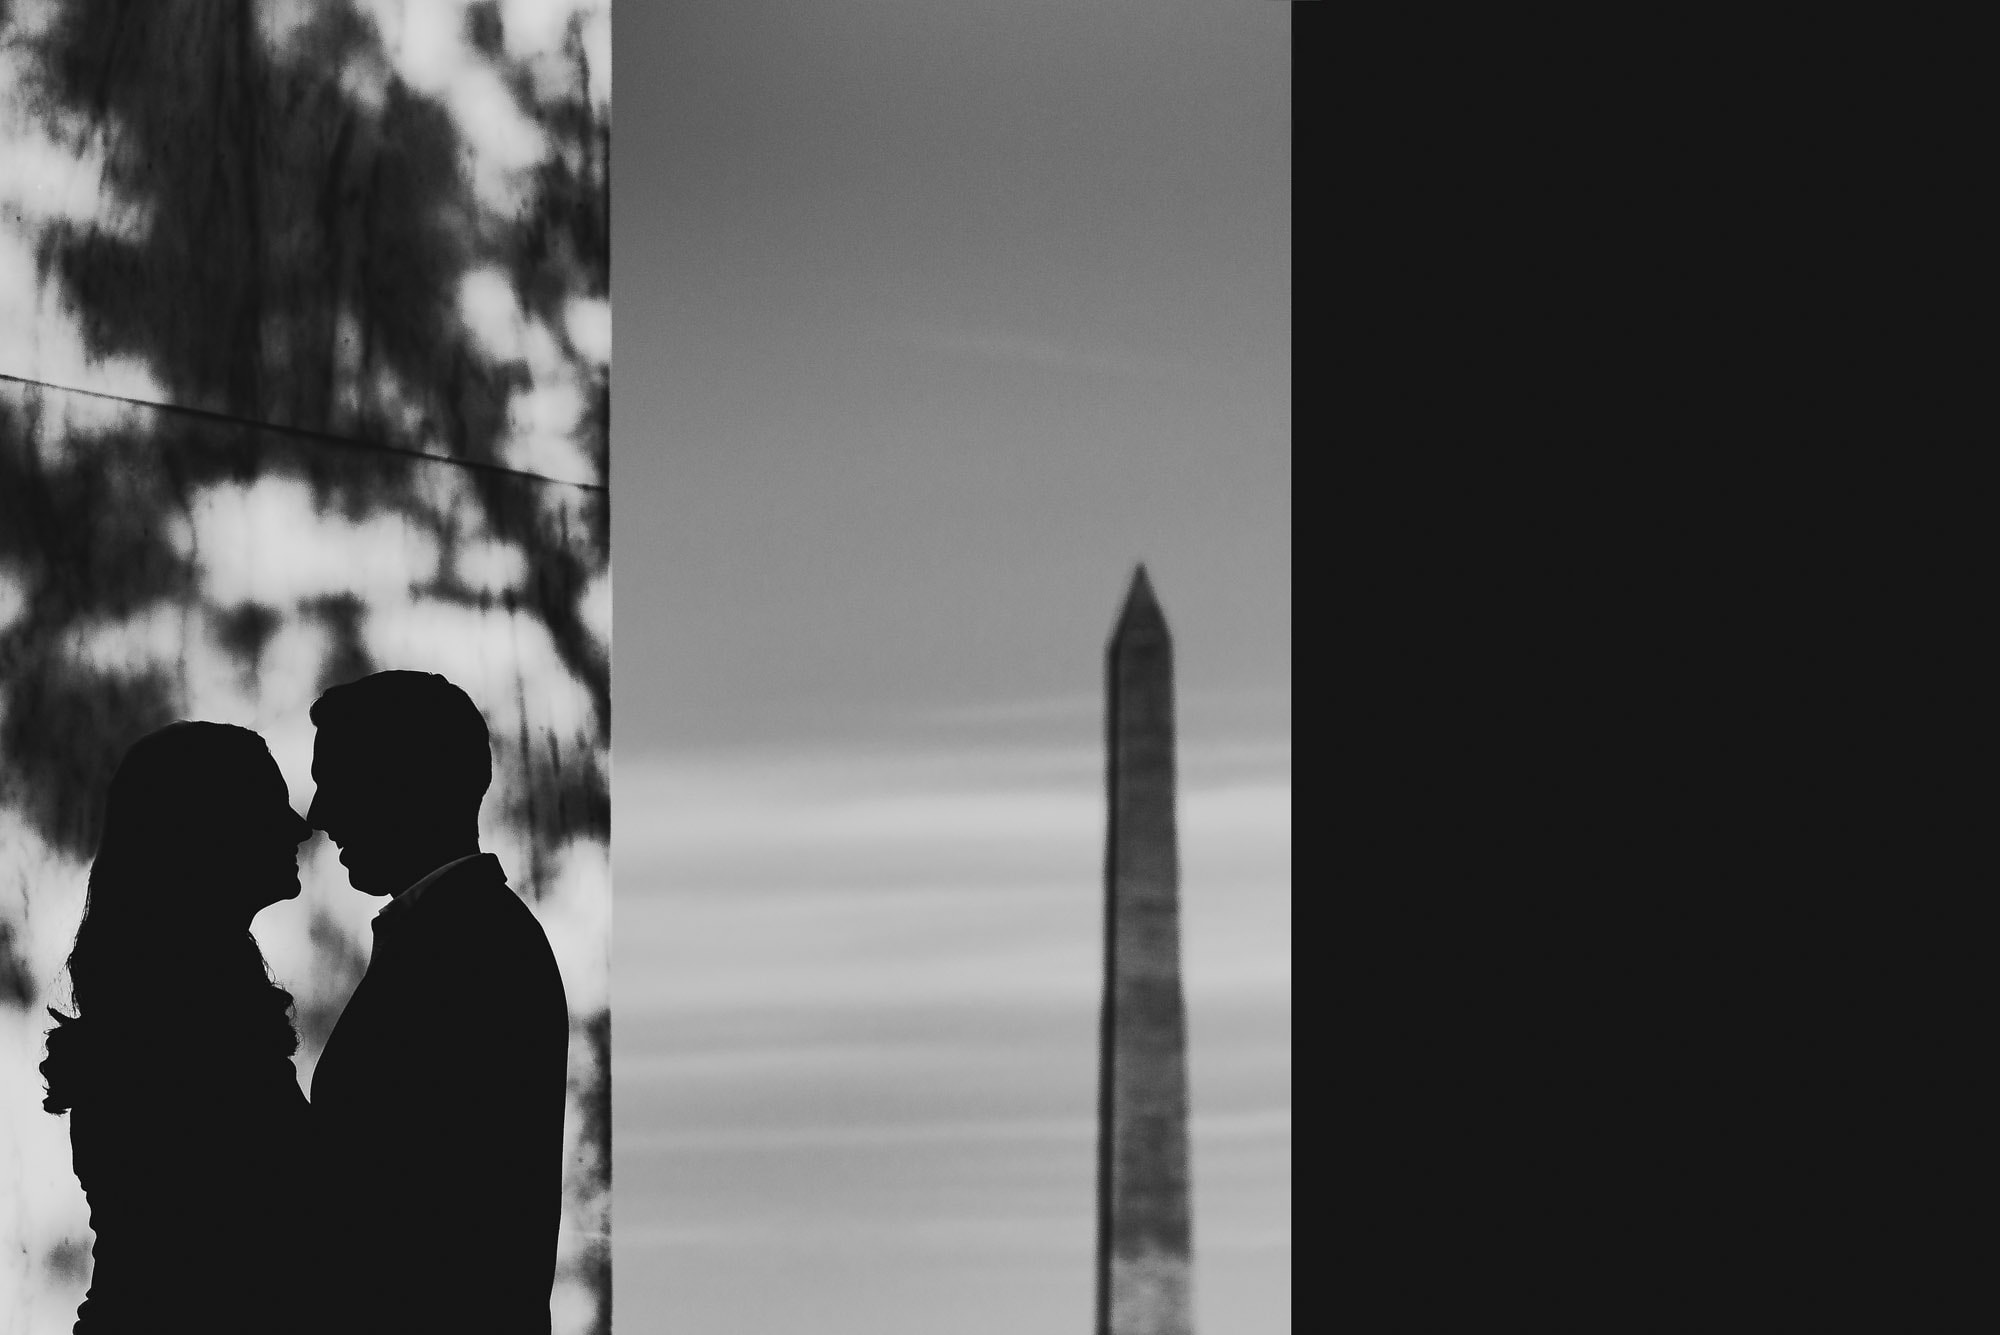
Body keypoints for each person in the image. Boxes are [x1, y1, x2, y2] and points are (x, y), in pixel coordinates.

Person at [307, 670, 569, 1335]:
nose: (318, 813)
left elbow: (408, 1204)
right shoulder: (459, 934)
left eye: (336, 780)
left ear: (406, 780)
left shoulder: (472, 947)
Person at [40, 722, 316, 1335]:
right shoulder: (184, 1036)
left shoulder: (189, 1009)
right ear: (208, 831)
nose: (300, 825)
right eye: (271, 805)